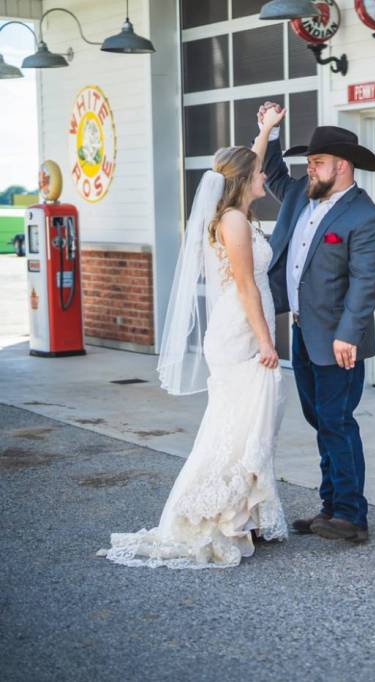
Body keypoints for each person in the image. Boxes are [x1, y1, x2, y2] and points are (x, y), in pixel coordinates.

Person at [99, 144, 288, 569]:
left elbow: (246, 161)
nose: (265, 177)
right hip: (240, 331)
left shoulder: (235, 215)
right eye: (259, 172)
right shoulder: (234, 220)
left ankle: (242, 516)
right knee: (239, 424)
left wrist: (265, 132)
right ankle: (216, 516)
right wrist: (265, 341)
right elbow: (245, 285)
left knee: (249, 422)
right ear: (244, 180)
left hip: (242, 326)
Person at [255, 102, 375, 543]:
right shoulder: (300, 194)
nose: (309, 169)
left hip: (338, 341)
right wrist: (270, 132)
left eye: (317, 162)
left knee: (336, 421)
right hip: (302, 331)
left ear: (342, 166)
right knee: (320, 420)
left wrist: (348, 335)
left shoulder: (367, 217)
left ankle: (351, 516)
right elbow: (270, 171)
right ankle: (330, 507)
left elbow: (366, 282)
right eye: (309, 162)